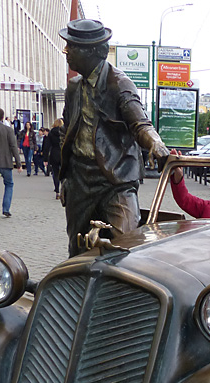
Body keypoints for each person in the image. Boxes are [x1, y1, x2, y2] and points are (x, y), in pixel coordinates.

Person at [59, 19, 169, 257]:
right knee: (77, 246)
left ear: (93, 52)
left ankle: (125, 290)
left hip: (116, 178)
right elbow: (67, 132)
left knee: (126, 241)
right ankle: (75, 290)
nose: (67, 52)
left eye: (73, 47)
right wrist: (65, 177)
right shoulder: (73, 88)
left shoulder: (120, 84)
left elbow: (140, 124)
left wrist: (156, 144)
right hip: (80, 177)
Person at [42, 118, 63, 200]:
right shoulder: (64, 132)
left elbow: (46, 147)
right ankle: (63, 191)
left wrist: (45, 159)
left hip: (54, 154)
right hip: (63, 153)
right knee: (64, 173)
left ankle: (57, 191)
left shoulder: (51, 133)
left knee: (55, 173)